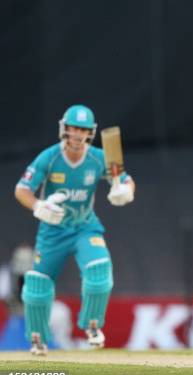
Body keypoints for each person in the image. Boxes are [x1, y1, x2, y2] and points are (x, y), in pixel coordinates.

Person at [14, 104, 136, 356]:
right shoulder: (50, 157)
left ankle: (92, 324)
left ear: (89, 133)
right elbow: (21, 189)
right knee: (37, 285)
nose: (78, 136)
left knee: (100, 271)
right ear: (65, 129)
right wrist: (38, 205)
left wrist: (126, 190)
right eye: (74, 129)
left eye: (83, 130)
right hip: (53, 230)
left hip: (84, 227)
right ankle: (37, 337)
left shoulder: (99, 157)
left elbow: (124, 178)